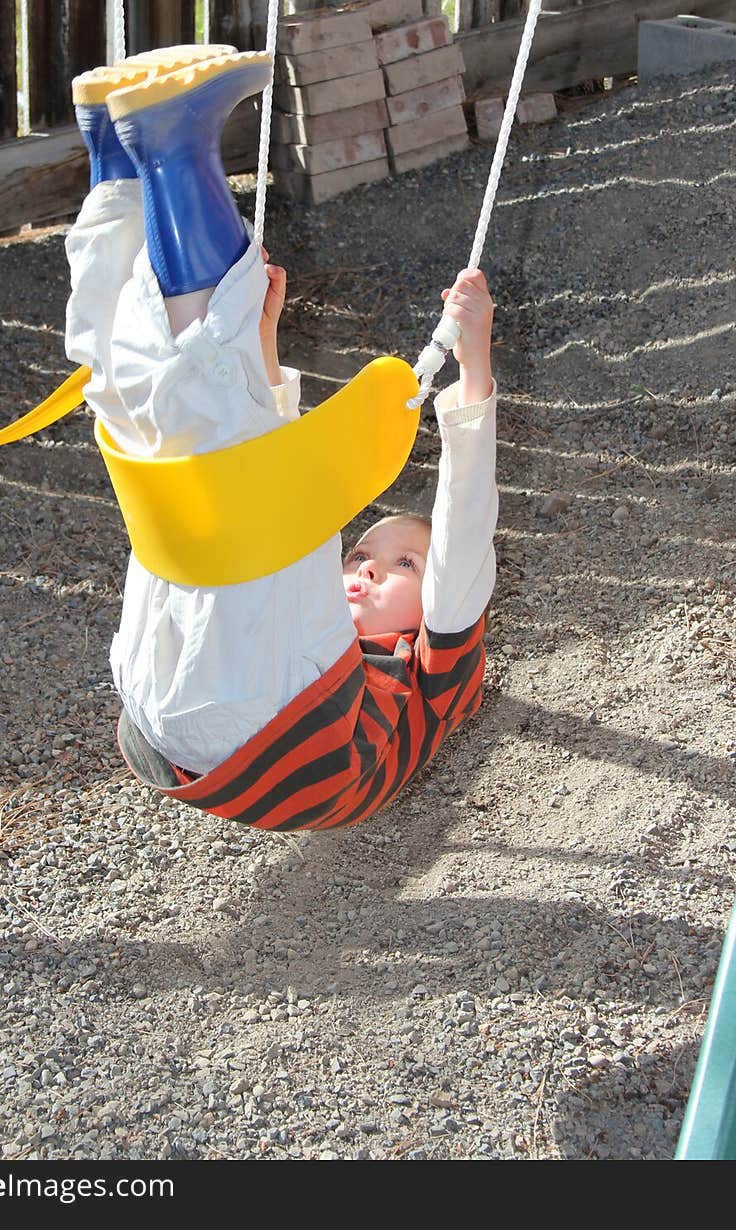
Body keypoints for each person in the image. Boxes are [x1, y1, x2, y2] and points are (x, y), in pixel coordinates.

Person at [65, 46, 497, 832]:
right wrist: (270, 340)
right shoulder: (427, 666)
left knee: (234, 460)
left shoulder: (407, 660)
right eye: (373, 557)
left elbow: (457, 530)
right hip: (216, 717)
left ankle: (166, 147)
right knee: (150, 429)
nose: (367, 568)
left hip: (258, 719)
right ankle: (118, 164)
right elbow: (460, 531)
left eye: (399, 563)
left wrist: (475, 363)